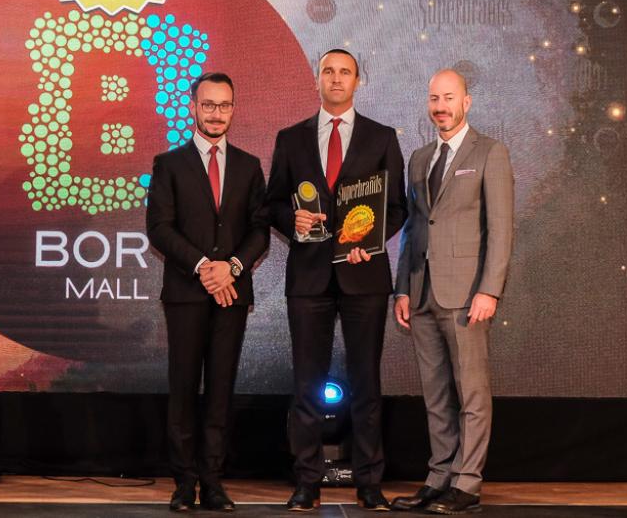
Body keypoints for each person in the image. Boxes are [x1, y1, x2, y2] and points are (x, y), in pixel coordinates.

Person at [265, 49, 408, 511]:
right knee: (307, 383)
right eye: (328, 71)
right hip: (309, 278)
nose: (337, 79)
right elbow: (273, 204)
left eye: (345, 72)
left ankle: (369, 482)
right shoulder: (291, 139)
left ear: (357, 81)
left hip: (364, 276)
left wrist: (371, 238)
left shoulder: (381, 137)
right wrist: (292, 222)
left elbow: (398, 207)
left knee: (366, 383)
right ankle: (307, 481)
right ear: (317, 79)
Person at [146, 72, 270, 512]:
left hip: (232, 293)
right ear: (193, 108)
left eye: (224, 105)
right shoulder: (169, 164)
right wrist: (203, 268)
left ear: (233, 109)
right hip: (185, 293)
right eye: (209, 105)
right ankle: (184, 483)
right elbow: (159, 228)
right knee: (183, 389)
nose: (217, 113)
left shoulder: (249, 166)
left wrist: (230, 269)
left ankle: (213, 482)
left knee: (220, 389)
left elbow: (260, 230)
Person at [391, 69, 513, 515]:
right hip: (422, 295)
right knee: (437, 395)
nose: (440, 107)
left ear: (466, 102)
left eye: (448, 98)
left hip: (466, 296)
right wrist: (402, 290)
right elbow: (413, 228)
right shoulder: (420, 158)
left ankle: (467, 483)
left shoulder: (490, 152)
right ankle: (439, 477)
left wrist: (489, 290)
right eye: (434, 99)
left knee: (472, 394)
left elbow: (501, 229)